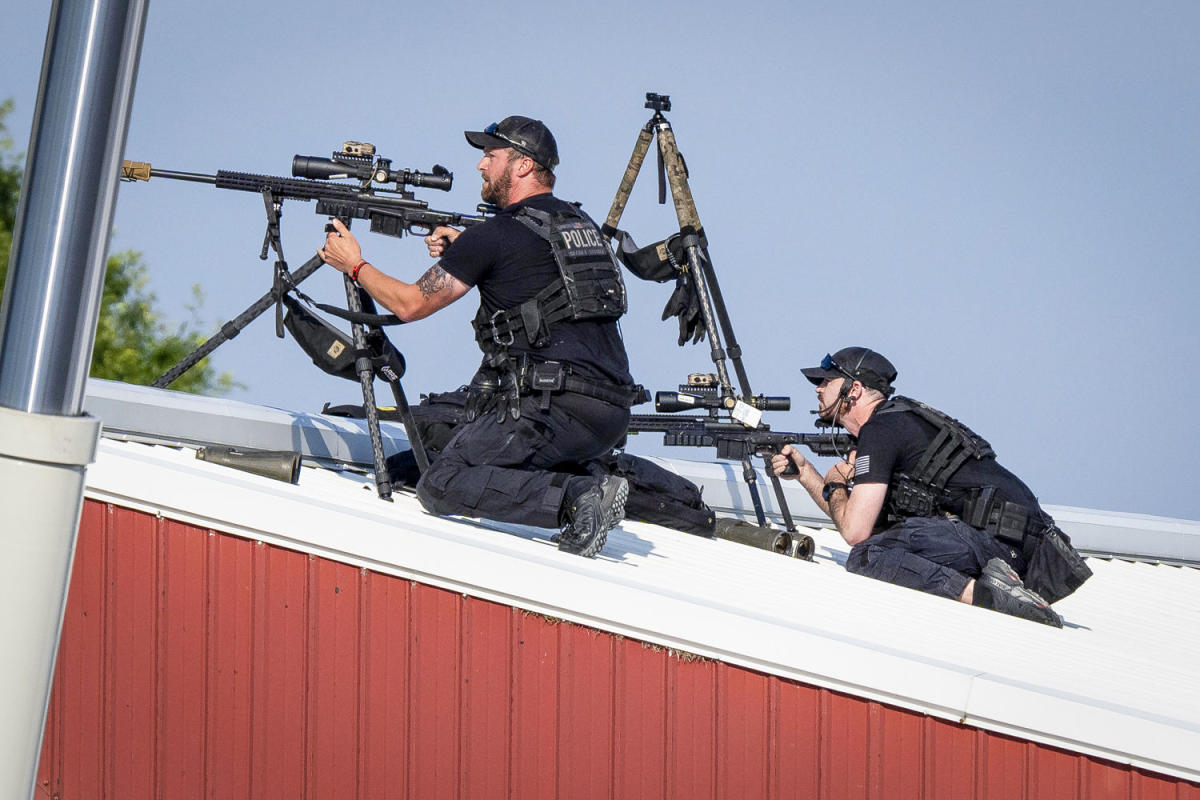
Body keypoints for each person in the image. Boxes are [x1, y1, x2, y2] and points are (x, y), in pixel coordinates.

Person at [318, 115, 642, 558]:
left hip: (550, 408)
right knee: (438, 451)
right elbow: (530, 268)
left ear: (523, 165)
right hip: (609, 414)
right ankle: (584, 478)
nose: (480, 166)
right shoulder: (577, 225)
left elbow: (410, 304)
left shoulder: (494, 236)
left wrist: (354, 264)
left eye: (491, 156)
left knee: (440, 481)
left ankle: (576, 496)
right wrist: (469, 245)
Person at [769, 346, 1090, 626]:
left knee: (868, 556)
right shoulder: (897, 422)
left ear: (853, 390)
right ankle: (999, 588)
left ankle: (990, 597)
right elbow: (862, 519)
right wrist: (809, 475)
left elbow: (855, 532)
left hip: (997, 541)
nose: (818, 389)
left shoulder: (881, 429)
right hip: (1014, 545)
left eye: (826, 381)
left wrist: (836, 484)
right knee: (884, 543)